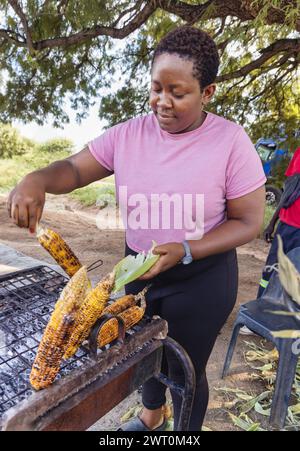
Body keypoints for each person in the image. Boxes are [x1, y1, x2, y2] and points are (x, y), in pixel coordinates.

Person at [7, 26, 266, 431]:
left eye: (177, 93)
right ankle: (150, 415)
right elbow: (74, 168)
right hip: (139, 268)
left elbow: (248, 222)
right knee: (137, 347)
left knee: (186, 369)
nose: (162, 102)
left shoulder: (231, 142)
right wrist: (36, 179)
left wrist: (185, 247)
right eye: (156, 88)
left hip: (201, 277)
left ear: (208, 92)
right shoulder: (129, 134)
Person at [258, 146, 300, 298]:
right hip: (285, 227)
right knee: (270, 271)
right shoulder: (299, 152)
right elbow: (288, 189)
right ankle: (259, 308)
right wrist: (272, 222)